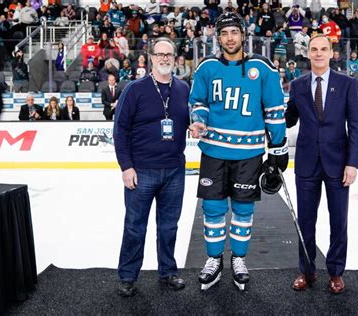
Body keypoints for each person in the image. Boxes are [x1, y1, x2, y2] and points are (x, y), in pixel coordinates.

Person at [188, 12, 288, 291]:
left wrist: (278, 148)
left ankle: (239, 260)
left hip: (249, 153)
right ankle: (214, 259)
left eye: (234, 32)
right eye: (224, 33)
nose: (229, 38)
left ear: (243, 35)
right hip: (214, 151)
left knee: (243, 209)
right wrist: (199, 120)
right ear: (217, 38)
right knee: (213, 208)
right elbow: (198, 102)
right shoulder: (206, 67)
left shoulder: (263, 68)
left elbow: (274, 111)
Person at [285, 34, 358, 294]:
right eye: (314, 49)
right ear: (307, 53)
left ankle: (336, 272)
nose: (318, 53)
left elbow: (355, 126)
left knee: (338, 221)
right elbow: (288, 120)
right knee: (305, 221)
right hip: (306, 164)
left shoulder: (347, 84)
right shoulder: (297, 85)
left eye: (323, 49)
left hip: (338, 164)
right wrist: (269, 105)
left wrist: (352, 164)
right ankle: (306, 271)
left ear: (331, 53)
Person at [114, 37, 189, 297]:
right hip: (141, 171)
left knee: (169, 226)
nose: (165, 58)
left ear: (175, 57)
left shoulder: (183, 89)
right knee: (135, 226)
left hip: (175, 171)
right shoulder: (134, 89)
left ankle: (168, 272)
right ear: (151, 57)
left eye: (169, 54)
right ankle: (127, 276)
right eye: (160, 54)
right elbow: (120, 130)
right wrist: (126, 167)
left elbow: (191, 121)